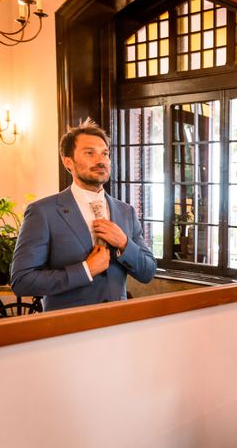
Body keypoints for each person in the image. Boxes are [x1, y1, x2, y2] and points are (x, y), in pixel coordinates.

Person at [11, 119, 156, 311]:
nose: (101, 160)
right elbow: (22, 281)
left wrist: (124, 243)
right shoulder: (43, 212)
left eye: (105, 154)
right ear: (67, 161)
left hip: (117, 327)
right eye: (90, 153)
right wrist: (86, 270)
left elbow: (148, 272)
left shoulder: (126, 212)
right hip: (68, 330)